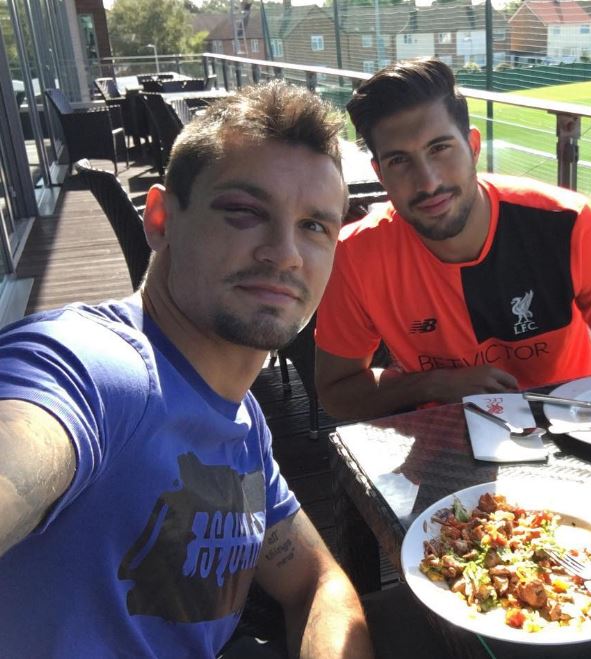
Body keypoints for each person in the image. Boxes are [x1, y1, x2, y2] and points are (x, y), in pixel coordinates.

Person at [0, 81, 374, 658]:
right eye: (245, 212)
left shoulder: (243, 425)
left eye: (315, 226)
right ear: (160, 220)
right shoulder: (96, 369)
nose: (286, 252)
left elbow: (317, 581)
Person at [315, 58, 591, 421]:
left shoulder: (571, 225)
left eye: (440, 148)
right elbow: (337, 393)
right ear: (380, 173)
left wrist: (584, 426)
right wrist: (434, 384)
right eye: (400, 160)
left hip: (571, 432)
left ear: (473, 146)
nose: (428, 182)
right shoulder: (354, 257)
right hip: (449, 441)